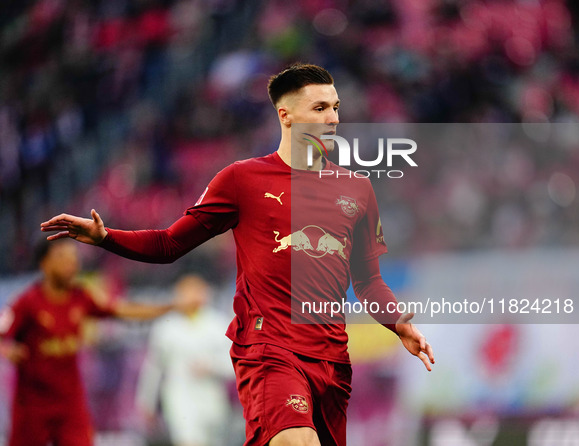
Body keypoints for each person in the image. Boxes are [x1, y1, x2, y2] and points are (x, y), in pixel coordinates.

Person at [40, 63, 435, 446]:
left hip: (332, 358)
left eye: (335, 107)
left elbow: (368, 280)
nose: (332, 118)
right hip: (270, 349)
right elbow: (169, 245)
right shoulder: (241, 180)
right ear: (287, 115)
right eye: (319, 108)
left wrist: (397, 323)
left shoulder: (357, 189)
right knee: (298, 441)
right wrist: (107, 236)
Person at [0, 238, 185, 446]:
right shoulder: (26, 303)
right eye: (62, 256)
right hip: (33, 406)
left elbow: (124, 309)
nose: (71, 262)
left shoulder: (81, 297)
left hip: (70, 404)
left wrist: (171, 306)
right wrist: (6, 349)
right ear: (44, 264)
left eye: (74, 257)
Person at [135, 274, 233, 446]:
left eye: (196, 291)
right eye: (185, 293)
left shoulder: (218, 325)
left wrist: (212, 367)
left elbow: (234, 366)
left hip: (212, 399)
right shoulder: (166, 328)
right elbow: (154, 368)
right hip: (179, 397)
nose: (191, 297)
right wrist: (146, 402)